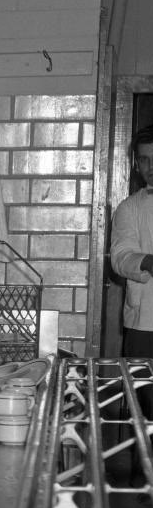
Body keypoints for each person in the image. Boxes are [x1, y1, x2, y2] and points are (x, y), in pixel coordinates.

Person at [110, 123, 153, 358]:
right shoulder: (129, 208)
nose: (152, 166)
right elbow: (120, 256)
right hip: (144, 322)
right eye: (145, 160)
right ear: (136, 164)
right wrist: (146, 261)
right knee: (142, 393)